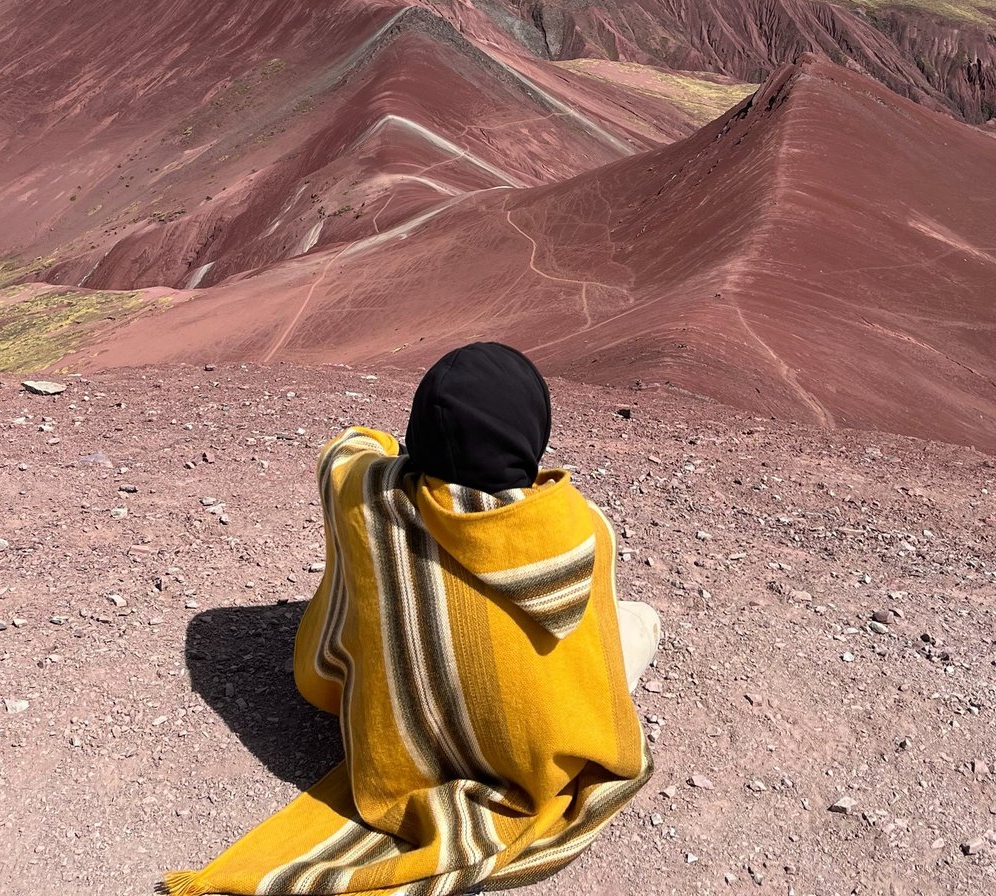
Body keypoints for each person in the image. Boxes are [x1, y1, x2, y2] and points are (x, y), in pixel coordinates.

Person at [161, 343, 659, 896]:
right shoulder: (584, 530)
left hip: (384, 743)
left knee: (363, 614)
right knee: (637, 624)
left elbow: (346, 448)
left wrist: (402, 452)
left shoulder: (365, 496)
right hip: (537, 767)